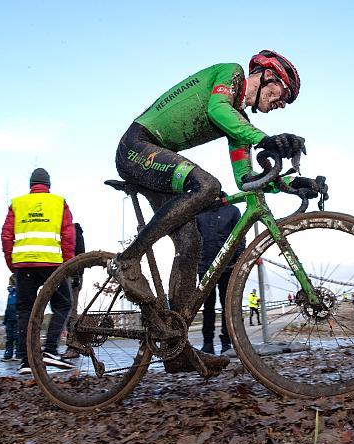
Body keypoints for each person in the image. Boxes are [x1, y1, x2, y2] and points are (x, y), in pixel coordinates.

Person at [109, 50, 322, 376]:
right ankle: (128, 259)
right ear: (266, 74)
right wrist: (267, 140)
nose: (283, 103)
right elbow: (216, 108)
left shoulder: (239, 122)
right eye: (283, 93)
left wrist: (296, 184)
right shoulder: (231, 74)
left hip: (157, 159)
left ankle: (175, 348)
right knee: (208, 186)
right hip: (137, 146)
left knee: (190, 243)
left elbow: (248, 179)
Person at [1, 168, 76, 375]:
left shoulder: (17, 204)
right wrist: (67, 266)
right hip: (52, 263)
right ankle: (50, 349)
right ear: (48, 185)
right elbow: (68, 237)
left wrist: (12, 265)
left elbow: (6, 237)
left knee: (25, 311)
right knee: (63, 303)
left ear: (31, 185)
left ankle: (27, 362)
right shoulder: (59, 203)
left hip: (24, 265)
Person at [196, 195, 245, 354]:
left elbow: (240, 236)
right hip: (205, 267)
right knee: (207, 307)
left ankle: (226, 343)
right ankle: (207, 343)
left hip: (228, 266)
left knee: (227, 307)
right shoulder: (199, 212)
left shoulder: (232, 211)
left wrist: (239, 258)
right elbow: (194, 239)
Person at [61, 222, 86, 360]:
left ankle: (74, 345)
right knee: (67, 310)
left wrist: (76, 275)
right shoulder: (69, 232)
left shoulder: (74, 232)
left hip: (73, 276)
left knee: (71, 311)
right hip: (68, 276)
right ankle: (72, 345)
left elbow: (79, 256)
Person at [0, 275, 20, 362]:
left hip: (16, 319)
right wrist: (5, 319)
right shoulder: (10, 294)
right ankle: (8, 354)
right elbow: (8, 307)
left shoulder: (19, 293)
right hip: (9, 319)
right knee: (9, 338)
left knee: (17, 337)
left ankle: (18, 354)